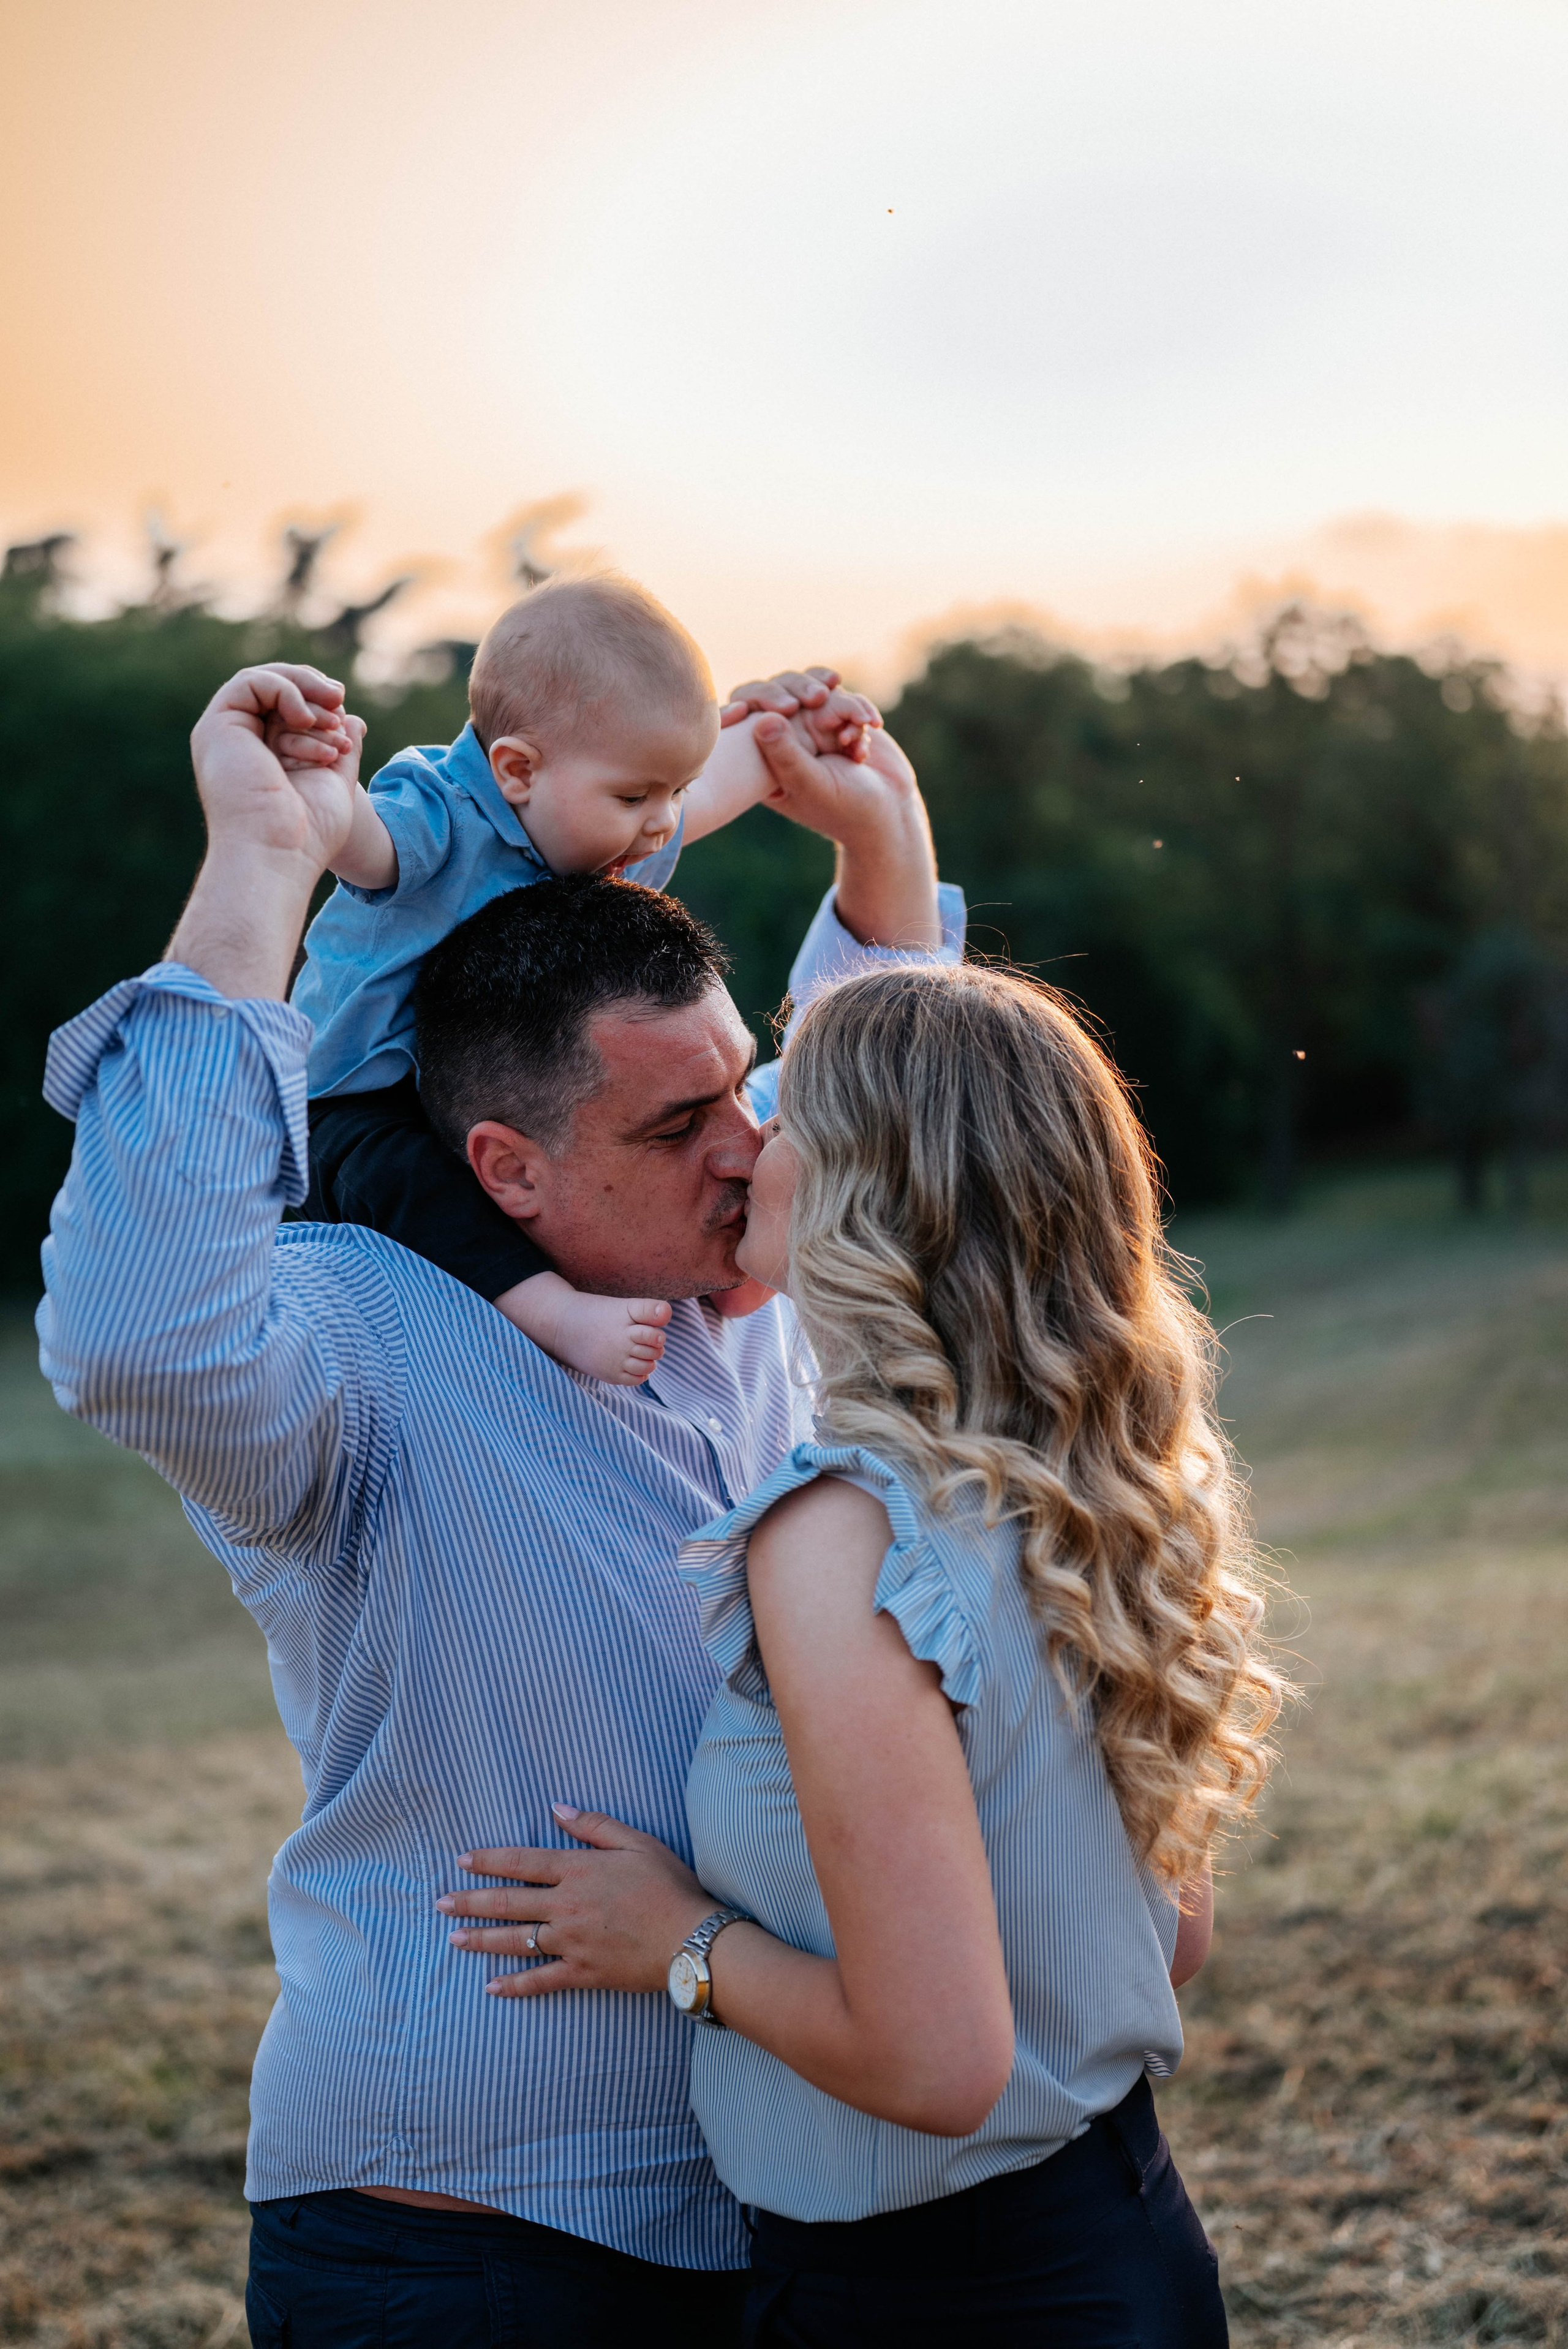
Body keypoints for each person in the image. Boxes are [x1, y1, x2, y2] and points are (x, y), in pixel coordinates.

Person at [37, 659, 964, 2347]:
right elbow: (137, 1331)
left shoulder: (751, 1294)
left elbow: (906, 1130)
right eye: (680, 1124)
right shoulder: (349, 1330)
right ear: (506, 1169)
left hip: (782, 2202)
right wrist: (259, 859)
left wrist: (880, 854)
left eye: (741, 1093)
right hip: (462, 2236)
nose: (746, 1152)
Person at [439, 961, 1291, 2346]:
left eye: (784, 1115)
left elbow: (938, 2061)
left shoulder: (841, 1532)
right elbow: (1169, 1941)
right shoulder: (1098, 1488)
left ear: (865, 1187)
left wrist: (679, 1941)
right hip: (1127, 2240)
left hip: (931, 2301)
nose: (747, 1145)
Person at [287, 570, 881, 1381]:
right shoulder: (445, 814)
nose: (665, 820)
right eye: (639, 794)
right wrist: (325, 785)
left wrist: (792, 732)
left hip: (472, 1084)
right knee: (412, 1183)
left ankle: (739, 1267)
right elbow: (363, 846)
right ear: (518, 769)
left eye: (673, 788)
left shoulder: (593, 824)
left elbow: (715, 789)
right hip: (353, 1096)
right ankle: (549, 1312)